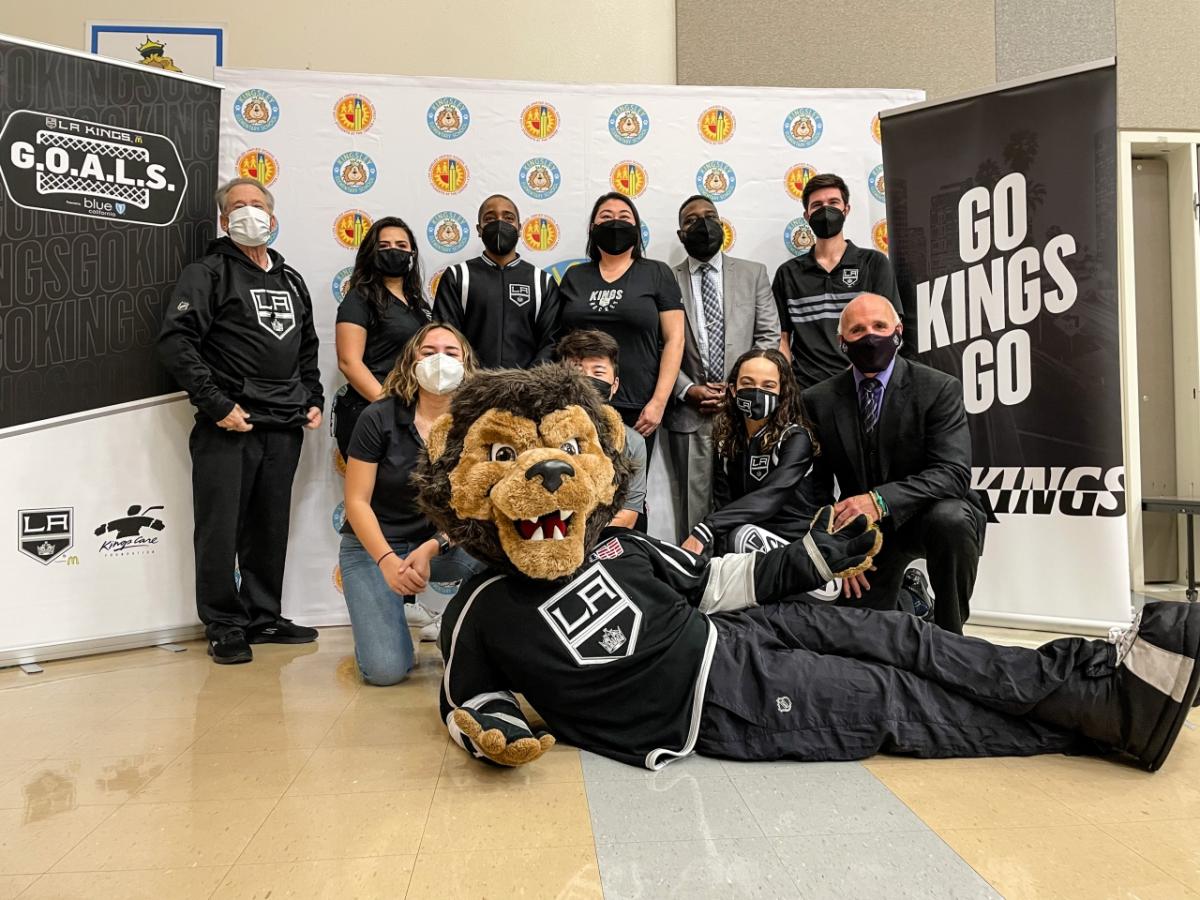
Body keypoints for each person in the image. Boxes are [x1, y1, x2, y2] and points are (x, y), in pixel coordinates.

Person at [158, 176, 323, 665]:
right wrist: (217, 405)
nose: (249, 212)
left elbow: (308, 349)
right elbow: (176, 343)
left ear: (273, 218)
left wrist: (311, 397)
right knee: (220, 529)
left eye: (257, 205)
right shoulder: (207, 273)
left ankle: (263, 616)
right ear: (224, 220)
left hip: (284, 426)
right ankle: (224, 624)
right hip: (230, 426)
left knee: (269, 527)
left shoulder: (292, 280)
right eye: (238, 206)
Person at [803, 294, 986, 634]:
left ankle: (951, 632)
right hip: (865, 531)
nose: (870, 336)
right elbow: (816, 488)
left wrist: (879, 499)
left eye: (879, 326)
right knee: (859, 634)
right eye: (857, 330)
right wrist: (838, 549)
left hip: (928, 516)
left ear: (898, 332)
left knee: (953, 519)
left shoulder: (938, 388)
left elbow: (953, 473)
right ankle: (911, 597)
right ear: (842, 342)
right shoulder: (817, 400)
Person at [340, 322, 485, 685]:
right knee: (385, 671)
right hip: (375, 546)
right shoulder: (378, 416)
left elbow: (476, 506)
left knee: (498, 554)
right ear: (411, 362)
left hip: (445, 544)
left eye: (451, 353)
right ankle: (388, 627)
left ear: (467, 364)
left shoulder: (479, 424)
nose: (440, 360)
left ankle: (476, 638)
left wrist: (433, 546)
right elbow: (356, 501)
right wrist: (387, 560)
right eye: (428, 352)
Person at [666, 195, 780, 539]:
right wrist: (687, 389)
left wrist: (739, 387)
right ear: (681, 232)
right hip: (689, 413)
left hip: (748, 410)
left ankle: (749, 577)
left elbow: (768, 336)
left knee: (749, 502)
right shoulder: (664, 280)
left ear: (722, 223)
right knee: (693, 512)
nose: (702, 223)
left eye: (710, 216)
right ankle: (696, 582)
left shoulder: (753, 273)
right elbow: (660, 348)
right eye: (691, 219)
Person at [556, 192, 685, 459]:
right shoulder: (575, 276)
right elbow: (559, 339)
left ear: (636, 229)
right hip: (576, 402)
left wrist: (658, 402)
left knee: (627, 491)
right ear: (593, 229)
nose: (615, 222)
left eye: (624, 217)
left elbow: (675, 339)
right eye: (606, 217)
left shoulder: (657, 273)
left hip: (638, 406)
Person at [682, 349, 822, 570]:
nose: (757, 393)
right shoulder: (726, 440)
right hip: (748, 544)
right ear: (733, 390)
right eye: (748, 383)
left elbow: (769, 498)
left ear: (783, 392)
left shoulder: (795, 437)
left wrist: (706, 528)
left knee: (742, 535)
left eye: (768, 386)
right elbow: (723, 503)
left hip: (798, 546)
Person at [773, 172, 902, 390]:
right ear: (806, 215)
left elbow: (892, 330)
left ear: (846, 209)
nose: (825, 210)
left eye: (833, 202)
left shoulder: (873, 263)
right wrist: (786, 388)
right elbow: (782, 340)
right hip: (807, 392)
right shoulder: (788, 274)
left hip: (863, 386)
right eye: (817, 205)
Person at [334, 217, 432, 458]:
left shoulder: (419, 304)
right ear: (371, 253)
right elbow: (349, 362)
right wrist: (388, 406)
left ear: (412, 253)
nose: (393, 251)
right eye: (384, 246)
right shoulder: (359, 298)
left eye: (401, 245)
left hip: (410, 413)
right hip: (373, 412)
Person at [433, 194, 560, 369]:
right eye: (490, 218)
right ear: (479, 229)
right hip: (471, 388)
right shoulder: (457, 276)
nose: (500, 223)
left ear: (519, 228)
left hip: (526, 390)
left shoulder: (542, 281)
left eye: (508, 218)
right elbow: (444, 336)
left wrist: (528, 382)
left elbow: (551, 342)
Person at [556, 329, 647, 530]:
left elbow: (628, 516)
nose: (587, 379)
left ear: (614, 386)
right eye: (577, 370)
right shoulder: (539, 431)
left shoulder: (632, 442)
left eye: (598, 372)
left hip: (603, 537)